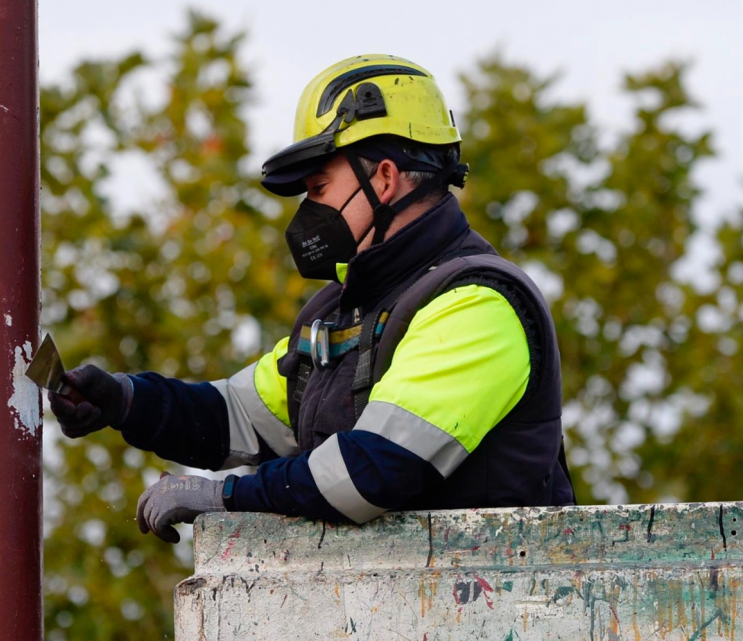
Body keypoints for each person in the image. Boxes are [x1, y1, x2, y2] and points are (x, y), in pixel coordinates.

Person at [49, 54, 575, 544]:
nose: (307, 211)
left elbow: (372, 470)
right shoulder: (341, 312)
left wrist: (225, 496)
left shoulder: (477, 304)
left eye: (319, 188)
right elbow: (236, 416)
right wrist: (124, 401)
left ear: (385, 179)